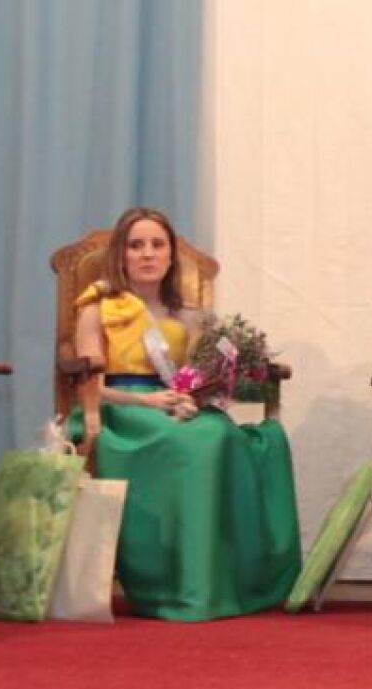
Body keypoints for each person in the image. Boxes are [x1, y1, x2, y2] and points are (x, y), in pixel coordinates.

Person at [71, 206, 299, 621]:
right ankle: (173, 583)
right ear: (121, 254)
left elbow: (197, 375)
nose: (147, 254)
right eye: (136, 245)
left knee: (222, 434)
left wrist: (196, 396)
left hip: (173, 404)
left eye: (157, 245)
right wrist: (147, 402)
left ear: (170, 255)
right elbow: (91, 386)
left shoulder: (189, 315)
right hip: (121, 410)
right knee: (194, 443)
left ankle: (219, 578)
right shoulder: (97, 309)